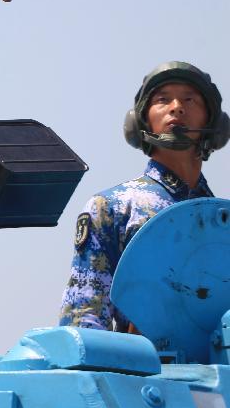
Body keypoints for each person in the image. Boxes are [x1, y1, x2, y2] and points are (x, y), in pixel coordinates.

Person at [59, 61, 229, 332]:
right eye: (163, 100)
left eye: (190, 99)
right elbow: (85, 318)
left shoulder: (223, 222)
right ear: (141, 120)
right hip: (145, 371)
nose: (177, 107)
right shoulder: (112, 207)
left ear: (213, 122)